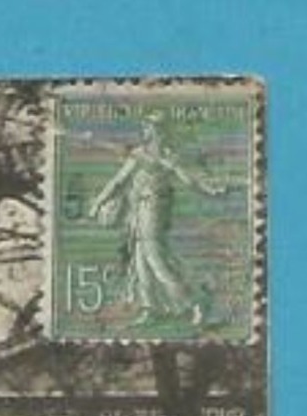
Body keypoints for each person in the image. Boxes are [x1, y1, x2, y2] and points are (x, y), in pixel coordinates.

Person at [87, 114, 227, 326]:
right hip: (139, 209)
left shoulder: (169, 156)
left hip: (155, 209)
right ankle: (151, 309)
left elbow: (187, 178)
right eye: (147, 128)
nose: (147, 132)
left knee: (155, 258)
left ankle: (195, 302)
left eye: (151, 128)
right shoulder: (140, 155)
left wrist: (210, 190)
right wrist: (99, 201)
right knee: (141, 261)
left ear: (159, 132)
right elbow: (118, 182)